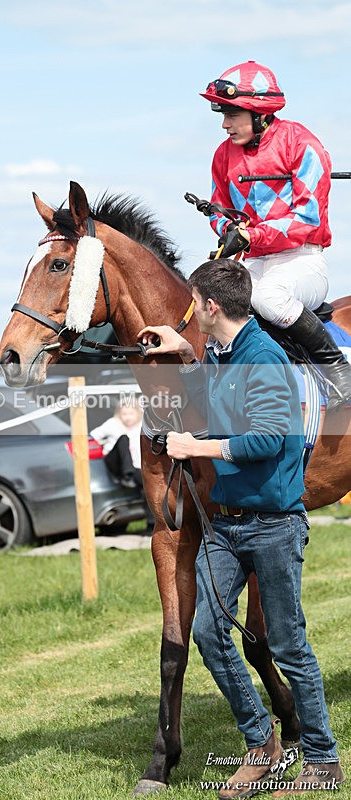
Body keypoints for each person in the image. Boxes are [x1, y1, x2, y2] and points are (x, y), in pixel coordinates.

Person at [138, 258, 344, 798]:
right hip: (228, 529)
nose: (188, 312)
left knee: (290, 647)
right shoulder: (225, 355)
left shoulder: (265, 359)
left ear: (209, 307)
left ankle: (323, 761)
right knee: (208, 632)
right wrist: (181, 354)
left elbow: (272, 438)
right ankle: (263, 746)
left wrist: (196, 447)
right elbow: (209, 388)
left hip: (273, 526)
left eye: (192, 306)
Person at [201, 60, 351, 411]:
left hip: (302, 261)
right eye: (222, 114)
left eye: (232, 114)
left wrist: (252, 236)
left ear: (259, 113)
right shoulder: (223, 155)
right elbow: (218, 211)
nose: (224, 124)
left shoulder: (301, 142)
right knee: (210, 302)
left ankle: (336, 367)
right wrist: (230, 231)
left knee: (268, 296)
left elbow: (307, 219)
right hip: (252, 264)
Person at [91, 399, 154, 532]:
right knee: (123, 439)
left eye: (131, 414)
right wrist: (101, 445)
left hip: (135, 467)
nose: (127, 418)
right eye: (124, 414)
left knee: (148, 485)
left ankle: (151, 524)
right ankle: (127, 475)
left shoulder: (142, 427)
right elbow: (93, 436)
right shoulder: (112, 424)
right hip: (114, 463)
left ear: (137, 413)